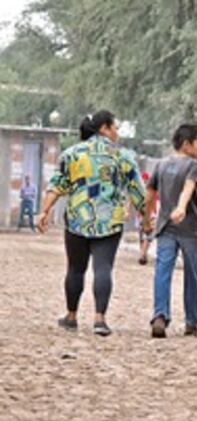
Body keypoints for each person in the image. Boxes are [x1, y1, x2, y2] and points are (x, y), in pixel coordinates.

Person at [37, 110, 147, 337]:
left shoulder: (72, 154)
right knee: (103, 267)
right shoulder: (123, 156)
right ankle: (99, 319)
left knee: (75, 268)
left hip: (78, 219)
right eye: (115, 127)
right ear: (104, 128)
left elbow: (57, 185)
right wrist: (145, 218)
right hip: (110, 221)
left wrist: (44, 211)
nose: (117, 132)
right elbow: (138, 191)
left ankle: (71, 315)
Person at [147, 124, 197, 338]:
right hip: (189, 229)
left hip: (165, 227)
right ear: (186, 144)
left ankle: (160, 316)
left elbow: (150, 194)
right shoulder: (194, 165)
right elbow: (188, 188)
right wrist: (181, 208)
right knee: (193, 274)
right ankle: (192, 321)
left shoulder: (161, 164)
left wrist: (147, 219)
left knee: (162, 271)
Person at [137, 171, 155, 265]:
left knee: (145, 236)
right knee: (146, 237)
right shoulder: (150, 189)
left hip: (146, 215)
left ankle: (143, 254)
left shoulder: (140, 189)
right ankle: (143, 254)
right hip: (146, 215)